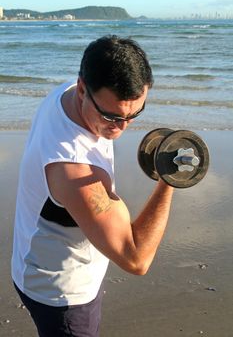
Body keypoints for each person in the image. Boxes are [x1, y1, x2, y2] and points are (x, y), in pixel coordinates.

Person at [12, 35, 174, 337]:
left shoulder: (66, 93)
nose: (122, 127)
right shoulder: (74, 172)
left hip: (32, 260)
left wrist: (110, 116)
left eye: (133, 115)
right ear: (84, 89)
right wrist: (169, 180)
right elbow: (136, 258)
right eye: (112, 116)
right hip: (62, 294)